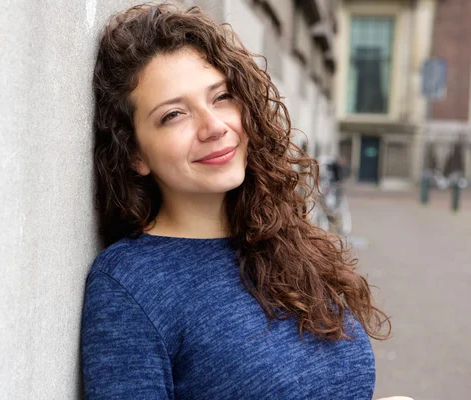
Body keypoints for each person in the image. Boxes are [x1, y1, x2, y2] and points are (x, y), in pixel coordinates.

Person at [82, 4, 399, 399]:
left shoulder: (284, 236)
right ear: (135, 154)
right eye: (174, 114)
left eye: (222, 97)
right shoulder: (129, 285)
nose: (214, 127)